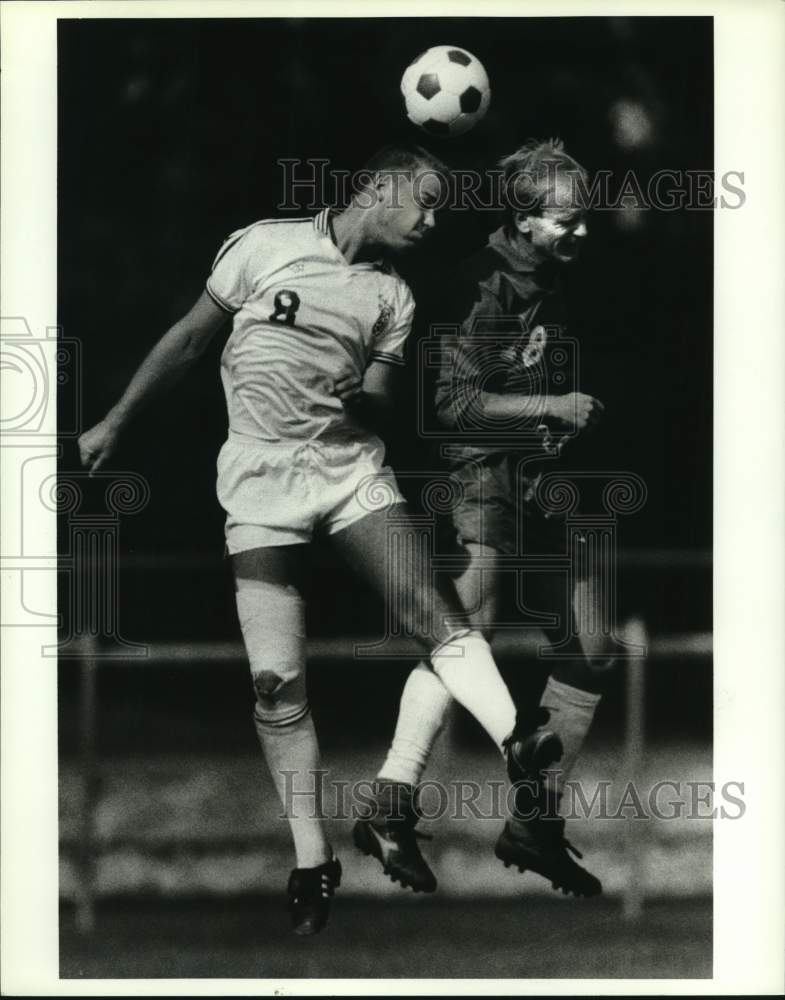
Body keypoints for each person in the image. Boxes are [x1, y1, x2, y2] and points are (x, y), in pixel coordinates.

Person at [78, 143, 564, 936]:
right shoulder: (262, 245)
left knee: (428, 607)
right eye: (427, 201)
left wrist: (362, 402)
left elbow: (377, 400)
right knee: (276, 682)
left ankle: (516, 738)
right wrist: (115, 423)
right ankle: (312, 860)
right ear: (378, 187)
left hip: (345, 473)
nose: (434, 220)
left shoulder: (391, 297)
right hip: (259, 483)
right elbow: (190, 340)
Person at [354, 138, 618, 899]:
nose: (581, 233)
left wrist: (551, 426)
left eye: (583, 219)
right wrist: (551, 405)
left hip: (537, 477)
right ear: (524, 218)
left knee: (594, 647)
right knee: (462, 632)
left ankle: (533, 823)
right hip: (480, 474)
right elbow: (453, 407)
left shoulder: (546, 279)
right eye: (567, 221)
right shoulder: (485, 288)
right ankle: (390, 801)